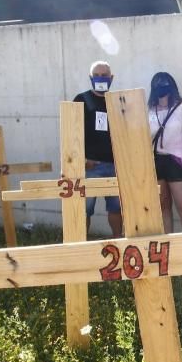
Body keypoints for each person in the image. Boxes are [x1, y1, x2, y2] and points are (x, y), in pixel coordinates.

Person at [147, 72, 182, 233]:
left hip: (177, 162)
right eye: (157, 84)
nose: (161, 87)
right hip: (157, 161)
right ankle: (168, 244)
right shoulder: (150, 111)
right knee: (163, 205)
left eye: (164, 83)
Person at [73, 60, 123, 237]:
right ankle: (81, 247)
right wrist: (82, 161)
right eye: (97, 75)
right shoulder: (81, 100)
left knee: (116, 209)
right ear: (90, 77)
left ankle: (119, 243)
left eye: (104, 75)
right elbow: (71, 134)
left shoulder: (118, 101)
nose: (100, 78)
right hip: (89, 167)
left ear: (112, 78)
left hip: (114, 166)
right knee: (84, 210)